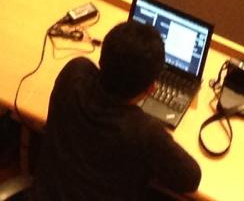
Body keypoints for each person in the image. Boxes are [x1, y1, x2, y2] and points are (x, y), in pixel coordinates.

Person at [30, 19, 200, 201]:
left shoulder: (73, 74)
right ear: (151, 89)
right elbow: (191, 178)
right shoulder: (144, 133)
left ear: (102, 59)